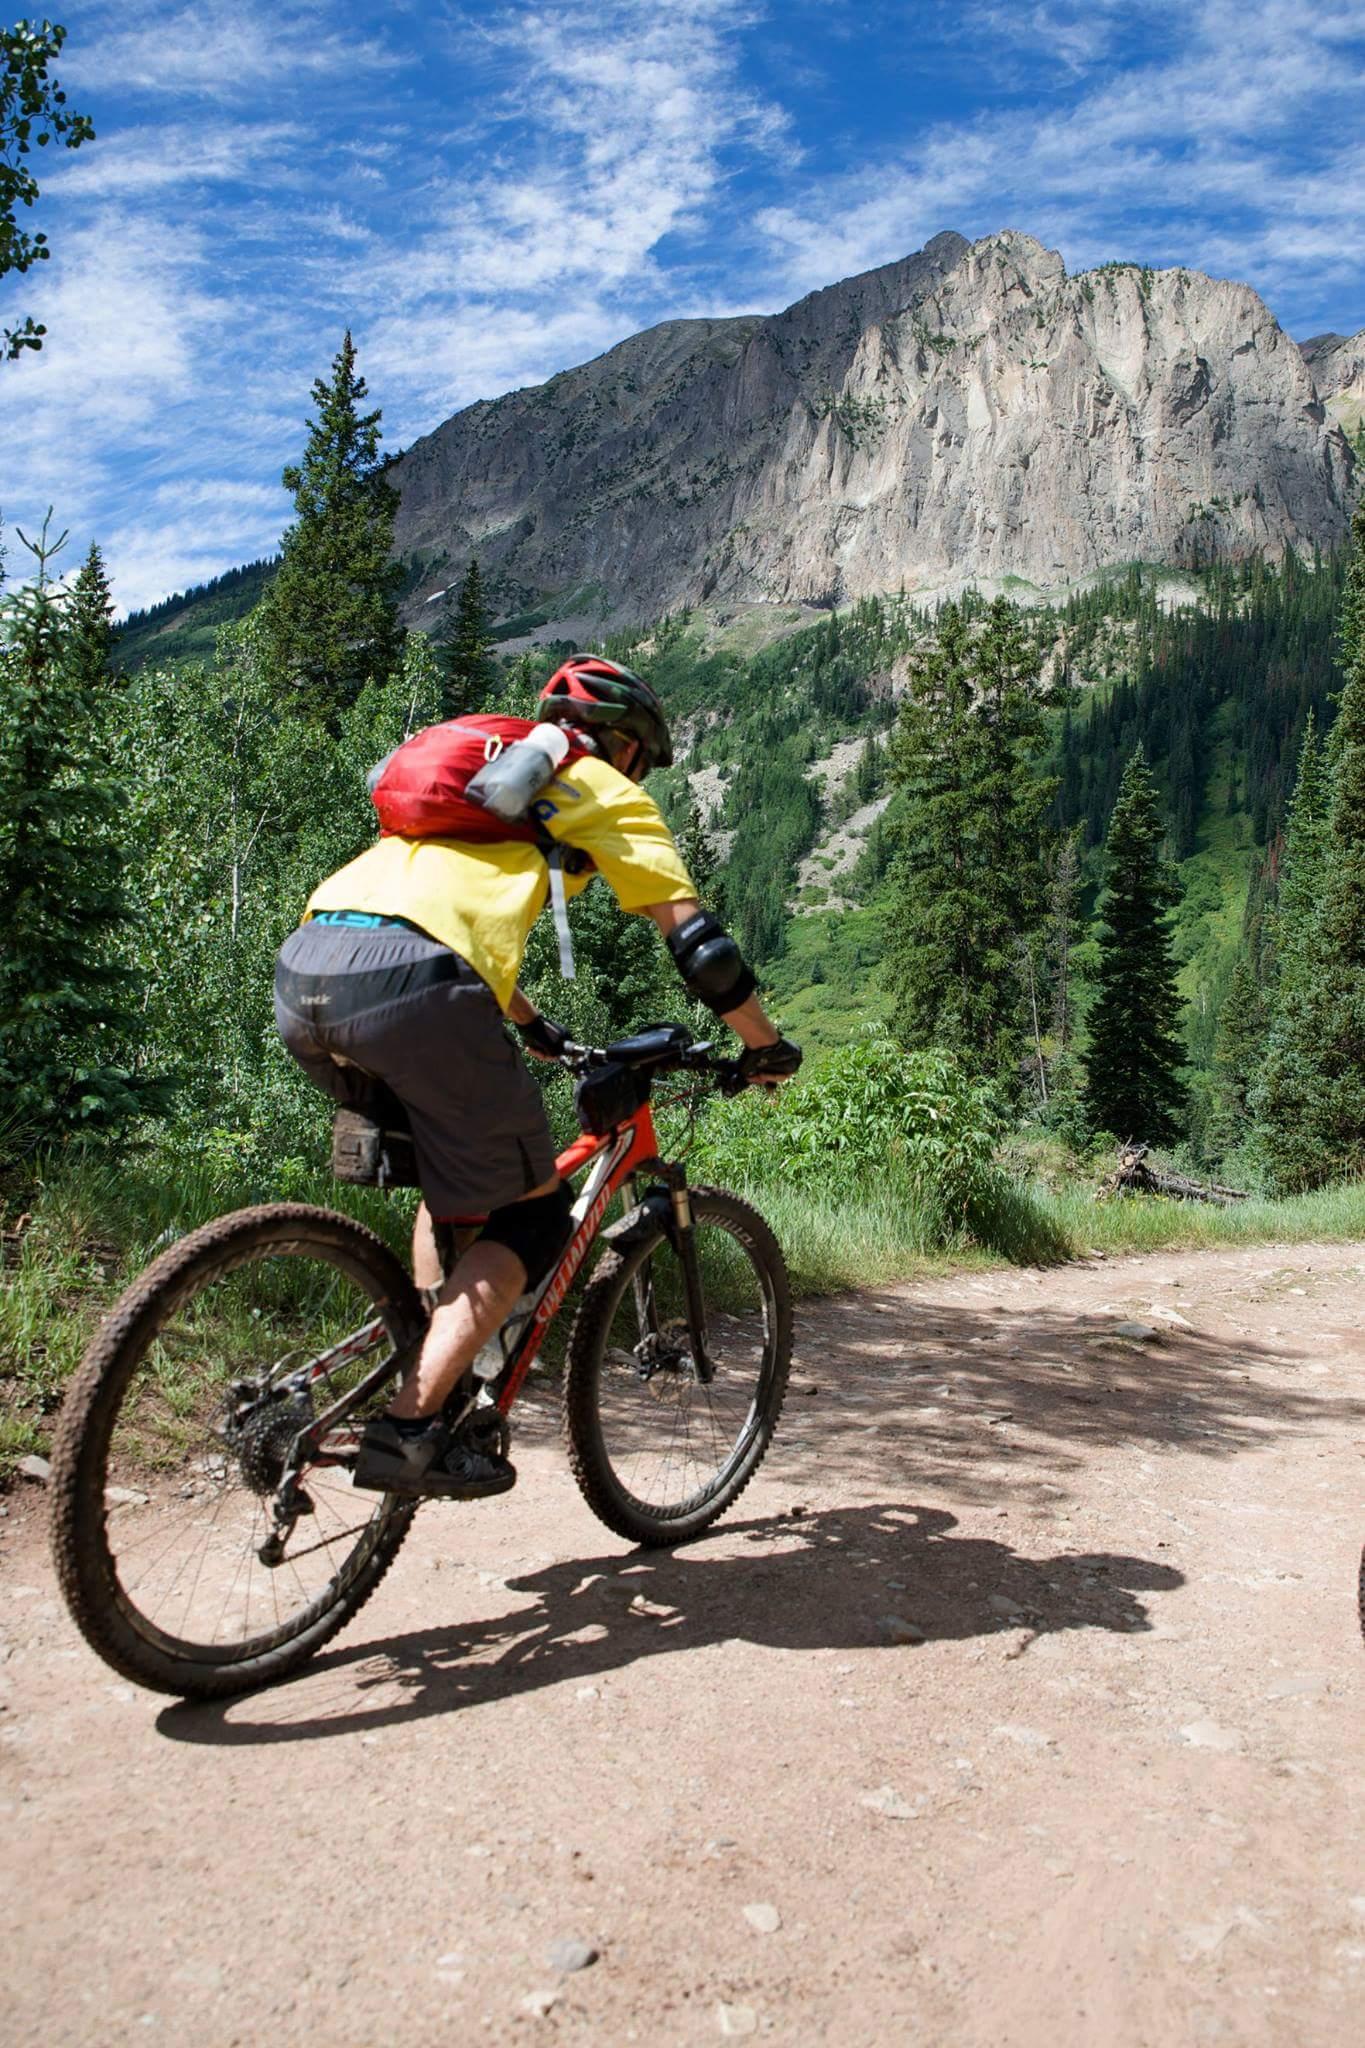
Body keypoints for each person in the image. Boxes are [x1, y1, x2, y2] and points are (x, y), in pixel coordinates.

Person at [274, 654, 800, 1502]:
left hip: (307, 971)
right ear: (628, 748)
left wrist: (533, 1027)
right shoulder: (603, 788)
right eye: (644, 759)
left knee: (450, 1180)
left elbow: (423, 910)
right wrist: (766, 1045)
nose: (639, 773)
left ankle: (433, 1360)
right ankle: (411, 1429)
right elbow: (700, 948)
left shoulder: (483, 786)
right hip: (419, 987)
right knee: (536, 1222)